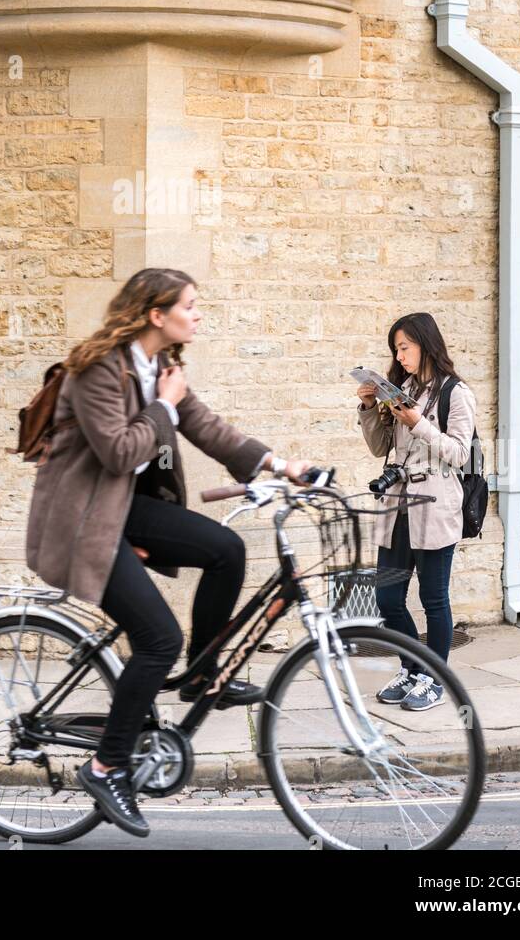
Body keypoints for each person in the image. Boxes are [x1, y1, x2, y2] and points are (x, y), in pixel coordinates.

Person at [25, 268, 312, 836]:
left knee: (226, 548)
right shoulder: (97, 370)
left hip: (122, 507)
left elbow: (209, 429)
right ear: (157, 314)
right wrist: (163, 406)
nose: (198, 314)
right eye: (190, 305)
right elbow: (117, 452)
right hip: (83, 523)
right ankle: (108, 767)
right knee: (158, 640)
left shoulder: (160, 368)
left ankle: (207, 675)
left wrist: (284, 466)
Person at [355, 312, 476, 712]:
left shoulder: (454, 392)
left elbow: (460, 453)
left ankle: (434, 678)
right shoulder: (402, 388)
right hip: (398, 504)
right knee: (388, 596)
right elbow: (379, 448)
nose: (400, 355)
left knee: (433, 598)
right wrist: (371, 405)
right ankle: (412, 669)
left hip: (437, 503)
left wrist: (418, 422)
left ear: (425, 343)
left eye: (404, 347)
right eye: (396, 349)